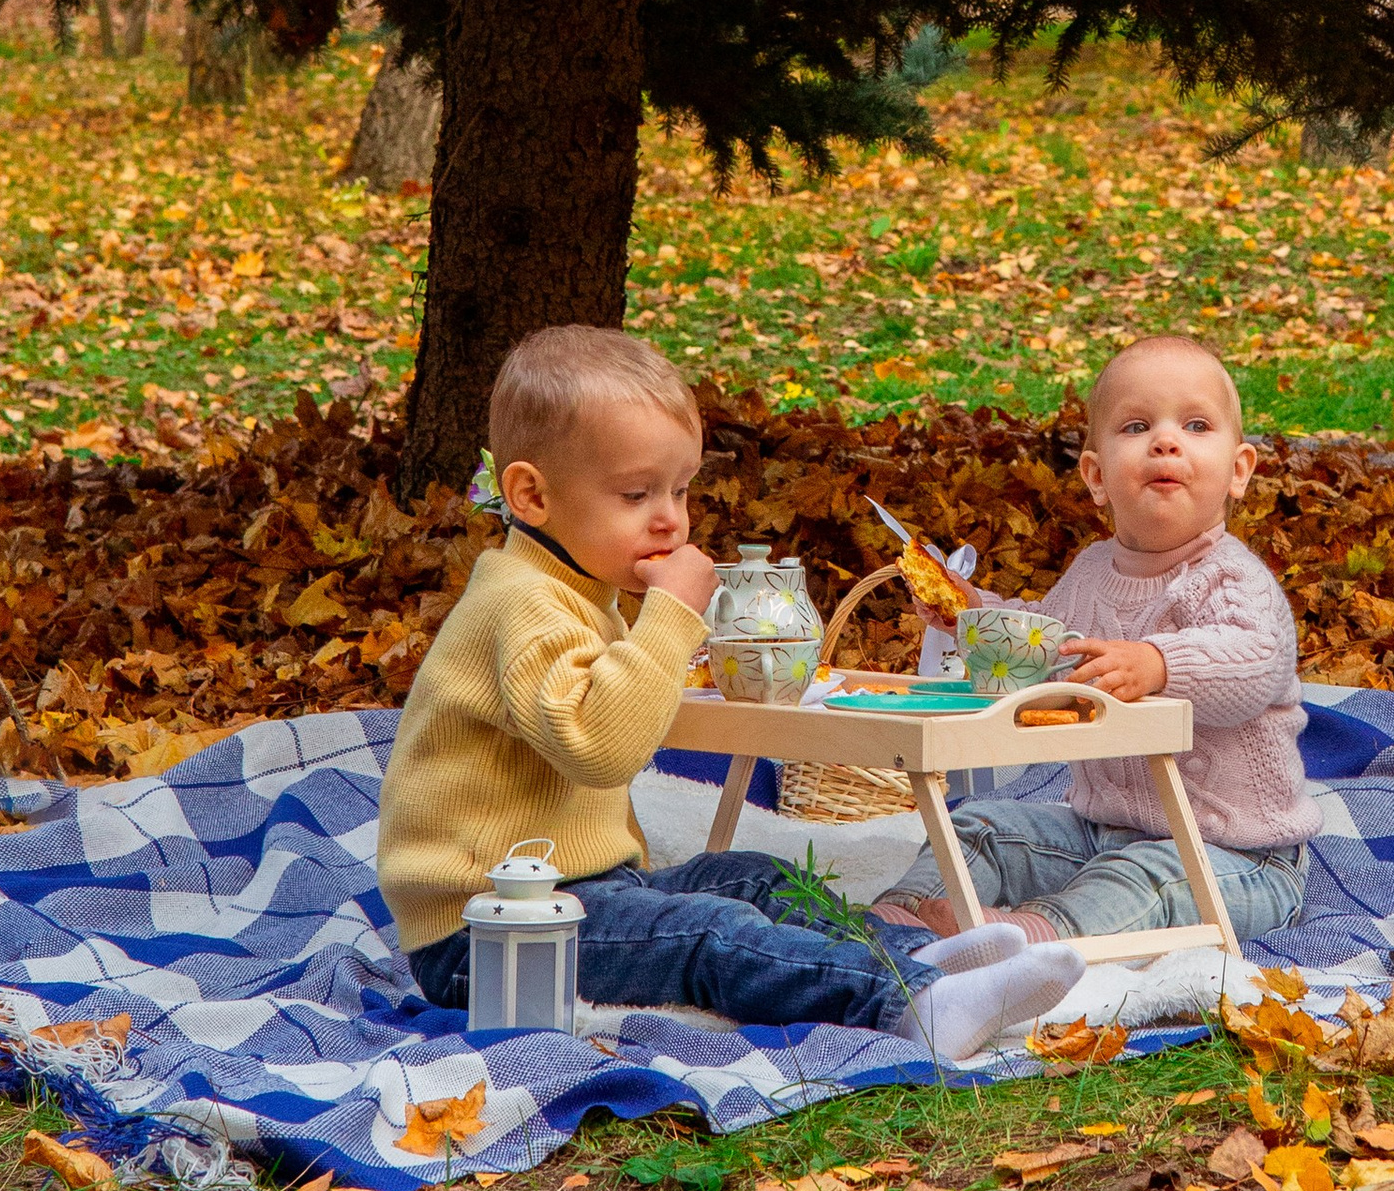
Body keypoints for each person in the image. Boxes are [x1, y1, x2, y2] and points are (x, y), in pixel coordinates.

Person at [375, 325, 1080, 1059]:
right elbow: (600, 747)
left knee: (752, 878)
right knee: (710, 935)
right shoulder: (520, 603)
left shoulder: (571, 590)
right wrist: (671, 613)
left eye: (679, 490)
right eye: (636, 494)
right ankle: (911, 1004)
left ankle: (907, 958)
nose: (669, 517)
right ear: (531, 495)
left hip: (584, 890)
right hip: (489, 934)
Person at [884, 333, 1317, 946]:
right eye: (1137, 426)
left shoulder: (1231, 577)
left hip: (1237, 856)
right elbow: (1047, 643)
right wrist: (976, 615)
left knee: (1142, 880)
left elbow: (1255, 662)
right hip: (1100, 834)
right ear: (1096, 476)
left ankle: (1031, 937)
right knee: (981, 826)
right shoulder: (1090, 573)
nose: (1166, 441)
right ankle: (898, 918)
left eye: (1195, 425)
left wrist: (1159, 663)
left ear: (1238, 471)